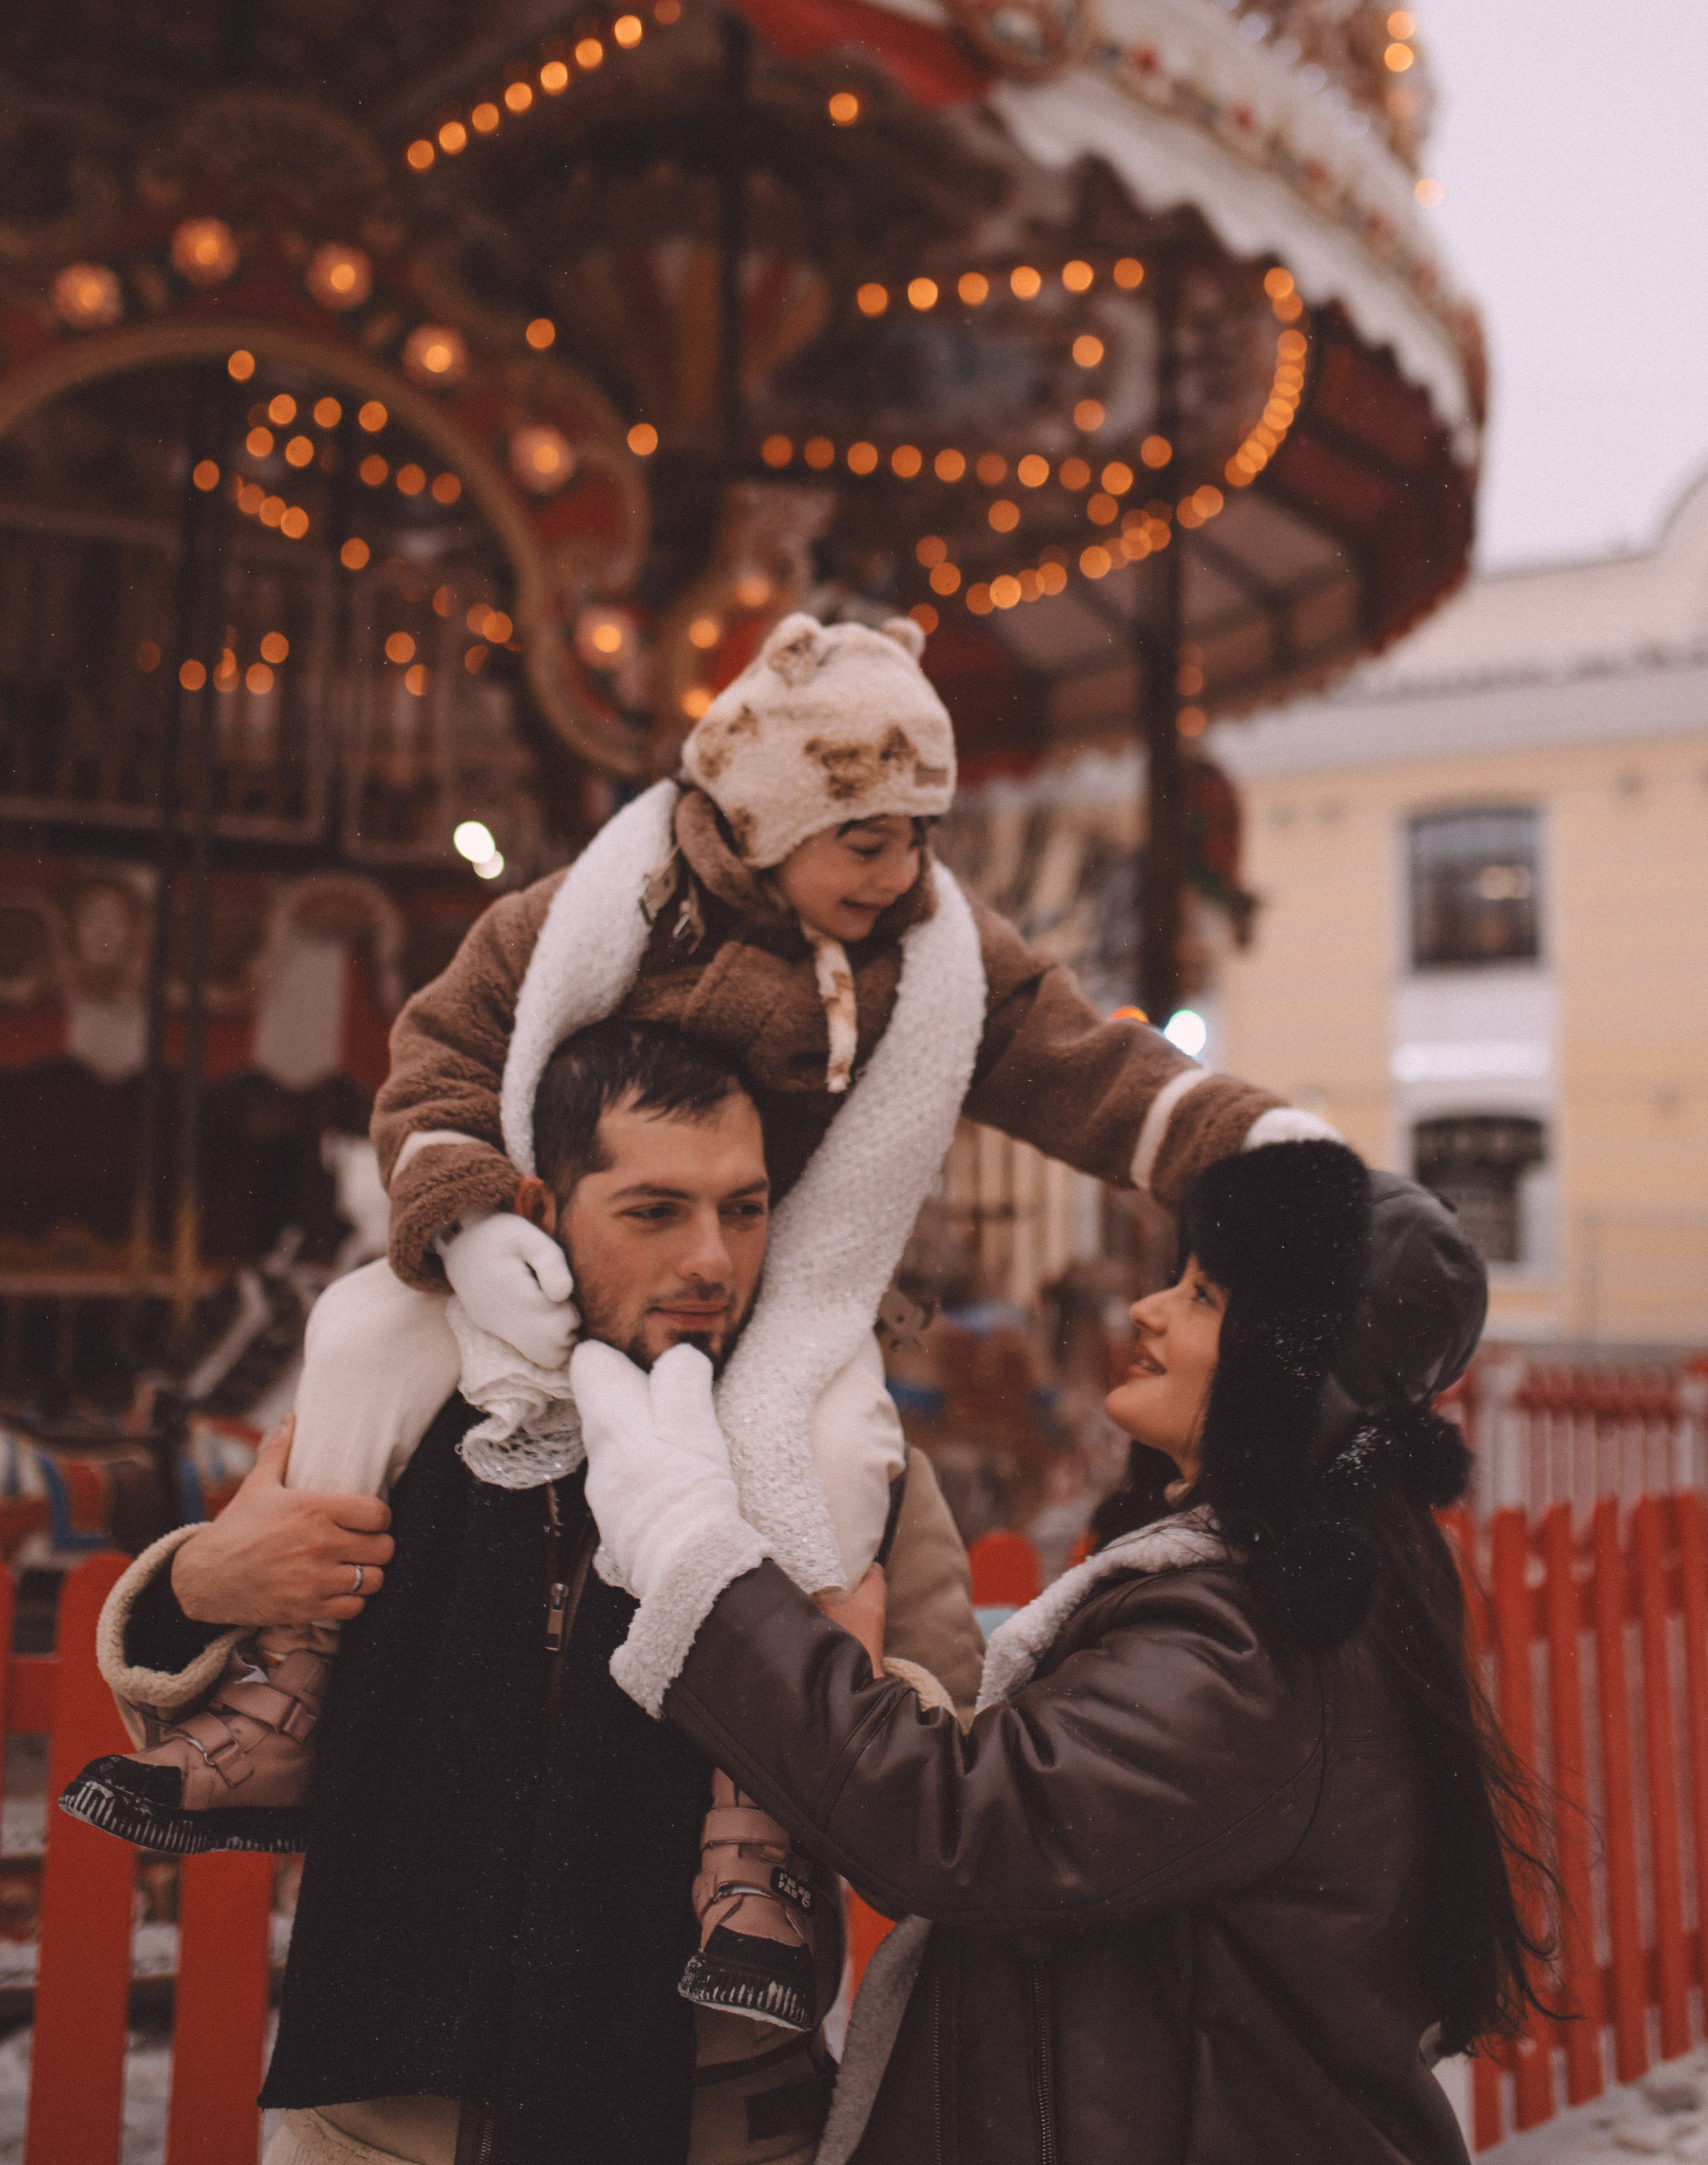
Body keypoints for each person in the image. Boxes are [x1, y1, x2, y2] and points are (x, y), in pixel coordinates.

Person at [69, 606, 1317, 2031]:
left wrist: (1273, 1150)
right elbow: (444, 1052)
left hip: (694, 2082)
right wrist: (227, 1581)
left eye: (923, 836)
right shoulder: (587, 914)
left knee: (831, 1450)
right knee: (356, 1332)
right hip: (398, 2063)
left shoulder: (931, 962)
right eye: (867, 838)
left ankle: (753, 1835)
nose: (905, 873)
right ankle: (280, 1701)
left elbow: (1087, 1071)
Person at [570, 1139, 1553, 2165]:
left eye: (1207, 1298)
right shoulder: (1294, 1598)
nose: (1148, 1310)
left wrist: (694, 1554)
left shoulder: (1251, 1649)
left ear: (1292, 1365)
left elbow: (961, 1823)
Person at [90, 1023, 959, 2165]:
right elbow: (200, 1738)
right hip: (380, 2116)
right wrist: (201, 1585)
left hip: (707, 2117)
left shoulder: (837, 1460)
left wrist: (845, 1696)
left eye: (742, 1211)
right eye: (655, 1212)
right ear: (541, 1212)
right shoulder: (408, 1417)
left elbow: (954, 1800)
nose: (711, 1260)